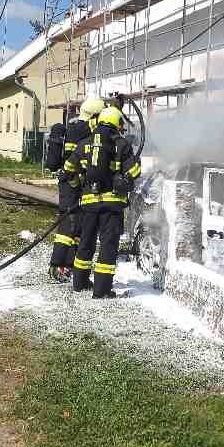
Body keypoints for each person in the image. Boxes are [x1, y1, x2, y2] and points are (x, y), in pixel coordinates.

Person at [62, 104, 141, 298]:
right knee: (108, 245)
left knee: (86, 243)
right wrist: (134, 164)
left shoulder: (85, 143)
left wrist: (76, 185)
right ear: (115, 122)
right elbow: (134, 173)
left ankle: (79, 283)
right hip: (112, 205)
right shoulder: (121, 144)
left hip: (89, 204)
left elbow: (68, 168)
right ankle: (102, 290)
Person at [48, 97, 104, 283]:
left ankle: (68, 264)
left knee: (78, 224)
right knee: (69, 224)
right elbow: (74, 160)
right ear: (94, 116)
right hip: (72, 183)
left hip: (73, 182)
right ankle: (58, 265)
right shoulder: (83, 131)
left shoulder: (75, 128)